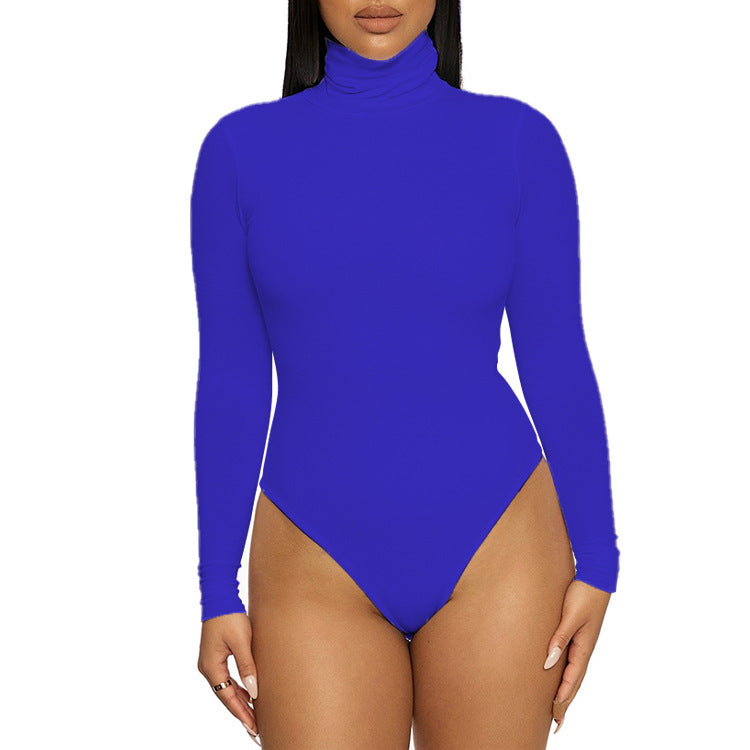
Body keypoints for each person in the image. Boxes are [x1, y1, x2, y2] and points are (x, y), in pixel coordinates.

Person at [190, 1, 621, 747]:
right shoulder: (239, 152)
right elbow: (232, 379)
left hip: (499, 539)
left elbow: (556, 358)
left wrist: (601, 562)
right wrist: (214, 588)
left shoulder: (518, 141)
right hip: (312, 551)